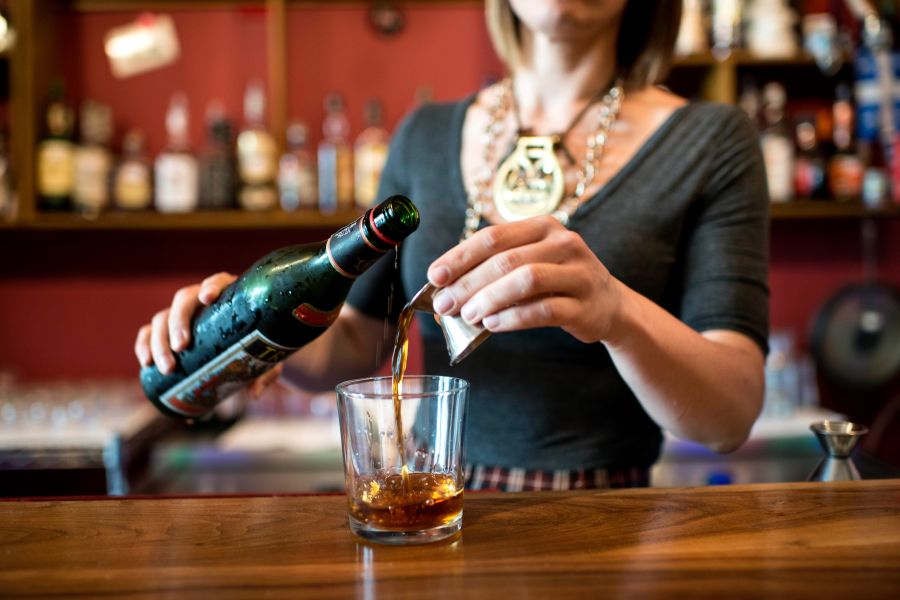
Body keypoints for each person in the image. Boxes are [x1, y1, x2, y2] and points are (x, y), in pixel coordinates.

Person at [135, 0, 769, 491]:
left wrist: (616, 312)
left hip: (605, 521)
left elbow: (730, 415)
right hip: (433, 507)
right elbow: (359, 341)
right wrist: (252, 328)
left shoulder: (712, 140)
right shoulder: (424, 135)